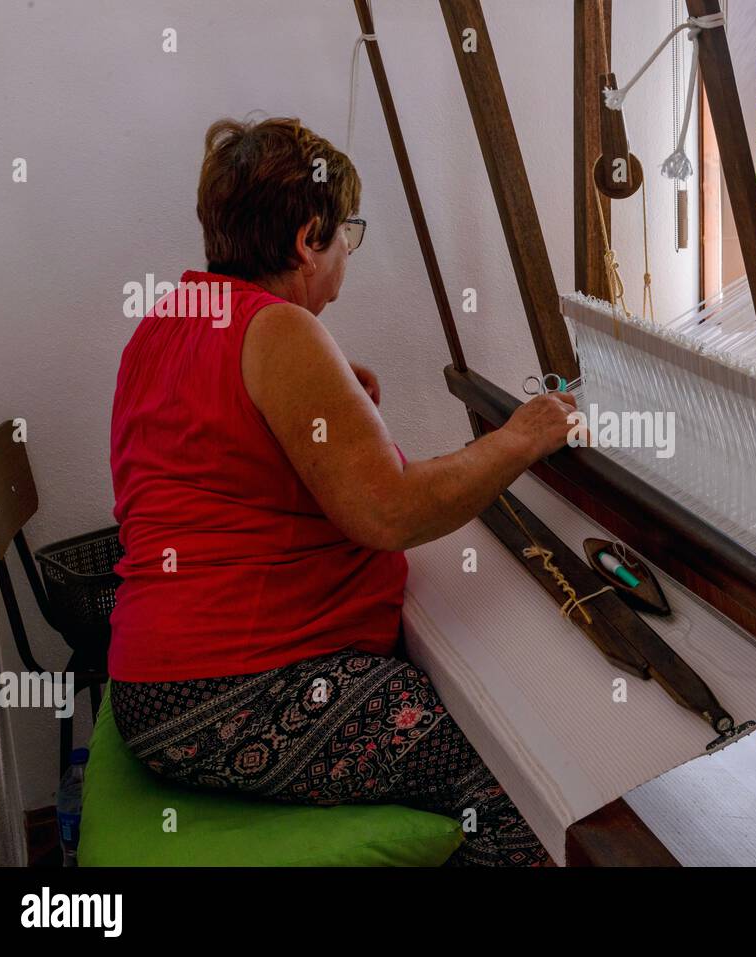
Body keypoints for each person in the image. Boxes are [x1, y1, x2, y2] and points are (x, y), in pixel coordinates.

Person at [107, 116, 575, 866]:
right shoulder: (281, 332)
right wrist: (519, 438)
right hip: (223, 697)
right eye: (346, 233)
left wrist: (312, 410)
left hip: (154, 680)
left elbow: (208, 469)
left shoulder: (168, 321)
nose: (347, 252)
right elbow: (387, 511)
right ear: (306, 240)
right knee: (514, 780)